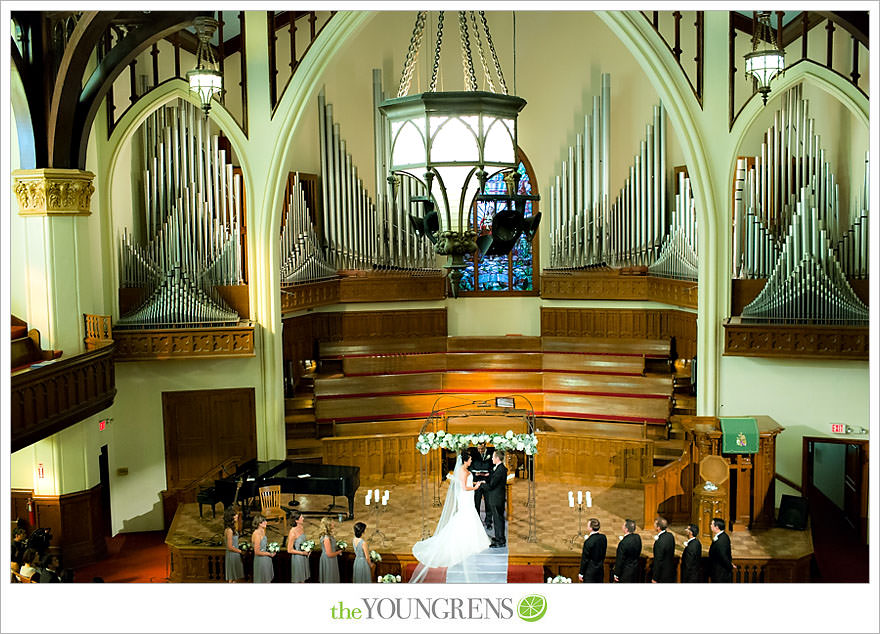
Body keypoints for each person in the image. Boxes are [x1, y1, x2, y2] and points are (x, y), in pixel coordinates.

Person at [410, 450, 491, 582]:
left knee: (467, 515)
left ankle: (468, 536)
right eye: (470, 460)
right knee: (467, 514)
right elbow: (464, 487)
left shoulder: (460, 469)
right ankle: (467, 539)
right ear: (465, 460)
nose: (471, 461)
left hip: (465, 497)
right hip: (466, 496)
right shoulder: (464, 471)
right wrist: (476, 487)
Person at [482, 451, 508, 547]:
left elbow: (492, 485)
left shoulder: (500, 470)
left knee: (498, 519)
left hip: (496, 498)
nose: (492, 459)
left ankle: (500, 541)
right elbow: (493, 480)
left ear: (497, 458)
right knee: (498, 519)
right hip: (498, 497)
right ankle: (500, 537)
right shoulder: (500, 468)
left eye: (493, 457)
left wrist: (482, 484)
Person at [471, 441, 494, 529]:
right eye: (478, 449)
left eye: (481, 449)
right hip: (476, 482)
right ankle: (477, 522)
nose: (479, 450)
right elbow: (470, 466)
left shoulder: (491, 452)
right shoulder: (473, 453)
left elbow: (494, 467)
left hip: (487, 481)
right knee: (476, 502)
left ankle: (488, 522)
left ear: (485, 446)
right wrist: (475, 474)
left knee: (488, 502)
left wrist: (489, 474)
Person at [578, 518, 607, 583]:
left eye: (588, 525)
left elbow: (585, 559)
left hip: (589, 574)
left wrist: (581, 573)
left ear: (591, 528)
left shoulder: (588, 542)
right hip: (600, 571)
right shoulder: (603, 537)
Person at [287, 510, 311, 583]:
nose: (303, 518)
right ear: (296, 520)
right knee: (299, 580)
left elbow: (303, 542)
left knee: (303, 579)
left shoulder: (301, 527)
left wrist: (308, 549)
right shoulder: (292, 532)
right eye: (301, 517)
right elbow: (289, 550)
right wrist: (302, 553)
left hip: (304, 556)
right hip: (298, 558)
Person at [708, 517, 734, 583]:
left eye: (712, 524)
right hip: (718, 572)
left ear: (717, 527)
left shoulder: (721, 540)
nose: (710, 525)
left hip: (720, 574)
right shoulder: (722, 536)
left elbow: (723, 556)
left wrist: (730, 566)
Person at [251, 514, 275, 583]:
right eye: (263, 521)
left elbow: (264, 545)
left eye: (265, 521)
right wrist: (269, 554)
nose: (266, 522)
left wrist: (271, 549)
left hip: (266, 558)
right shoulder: (257, 535)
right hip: (261, 560)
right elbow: (257, 552)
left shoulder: (263, 531)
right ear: (259, 523)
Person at [319, 516, 343, 583]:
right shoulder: (326, 538)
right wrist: (338, 552)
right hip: (328, 560)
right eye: (332, 523)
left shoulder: (328, 535)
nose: (334, 524)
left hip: (331, 558)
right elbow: (329, 554)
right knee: (330, 578)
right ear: (328, 525)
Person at [651, 517, 675, 583]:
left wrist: (655, 577)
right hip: (670, 571)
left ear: (658, 527)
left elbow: (658, 561)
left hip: (661, 575)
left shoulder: (659, 542)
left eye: (655, 525)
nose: (654, 526)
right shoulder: (670, 535)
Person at [223, 507, 244, 583]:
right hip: (232, 555)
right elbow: (229, 547)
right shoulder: (229, 531)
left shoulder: (232, 528)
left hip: (235, 554)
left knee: (234, 578)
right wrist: (240, 551)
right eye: (235, 515)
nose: (237, 516)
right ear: (230, 517)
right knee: (233, 578)